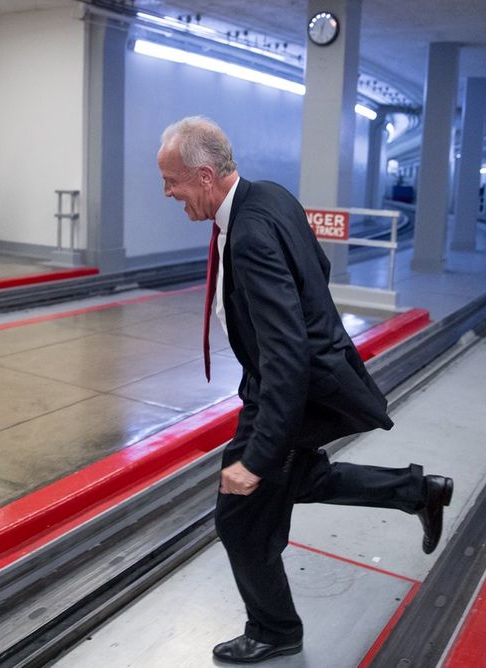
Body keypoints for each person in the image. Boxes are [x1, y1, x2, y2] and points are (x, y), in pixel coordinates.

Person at [156, 116, 454, 664]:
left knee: (241, 516)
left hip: (287, 388)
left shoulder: (247, 235)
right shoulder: (268, 196)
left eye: (171, 181)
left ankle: (275, 631)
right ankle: (417, 492)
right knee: (303, 476)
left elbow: (286, 352)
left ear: (202, 175)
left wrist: (261, 454)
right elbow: (315, 265)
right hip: (281, 381)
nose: (168, 193)